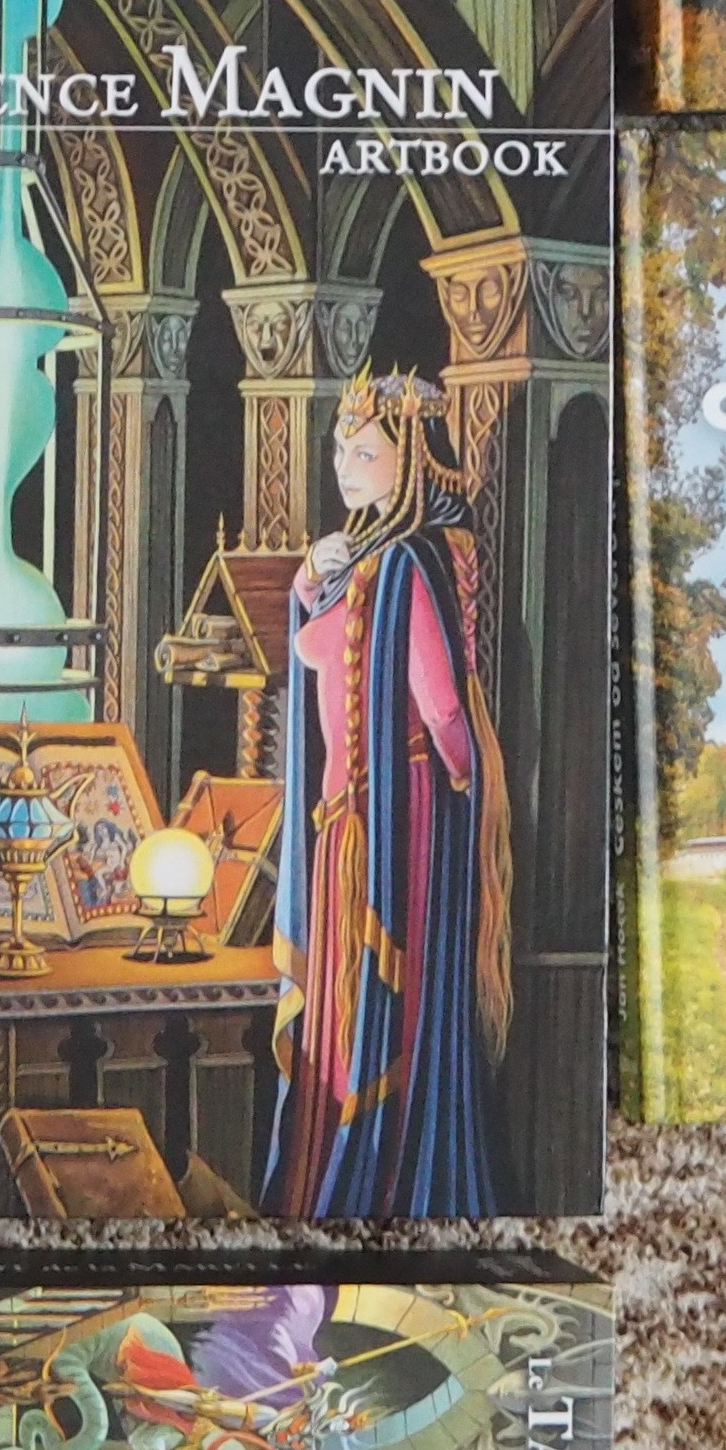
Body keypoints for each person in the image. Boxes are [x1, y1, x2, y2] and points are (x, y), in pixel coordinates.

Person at [262, 371, 509, 1218]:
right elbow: (312, 648)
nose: (345, 467)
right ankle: (326, 1177)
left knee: (375, 1001)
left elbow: (441, 705)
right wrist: (305, 580)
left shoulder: (410, 561)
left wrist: (468, 786)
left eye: (364, 453)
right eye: (339, 451)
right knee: (339, 1005)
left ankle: (378, 1182)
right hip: (345, 818)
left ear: (413, 462)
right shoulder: (361, 560)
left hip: (397, 816)